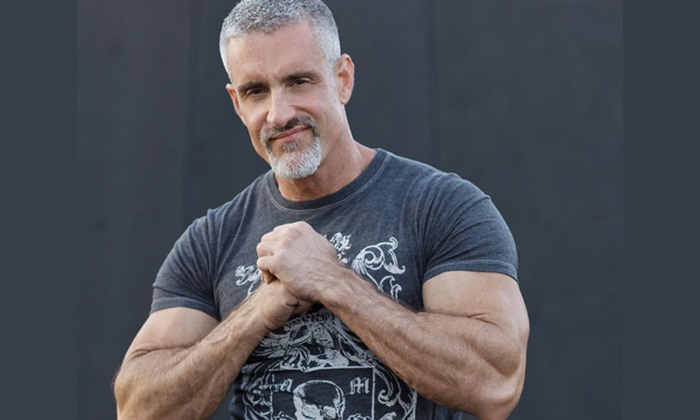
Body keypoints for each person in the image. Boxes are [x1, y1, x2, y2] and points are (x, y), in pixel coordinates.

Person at [113, 0, 530, 419]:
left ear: (342, 79)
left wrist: (332, 281)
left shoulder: (441, 207)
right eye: (256, 91)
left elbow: (495, 382)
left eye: (298, 82)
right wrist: (255, 313)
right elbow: (137, 410)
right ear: (237, 104)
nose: (279, 114)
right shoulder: (212, 239)